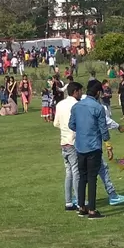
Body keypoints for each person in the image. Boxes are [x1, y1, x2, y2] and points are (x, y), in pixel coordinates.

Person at [68, 83, 110, 218]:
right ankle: (92, 209)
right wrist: (108, 144)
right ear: (97, 93)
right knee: (92, 178)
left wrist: (82, 130)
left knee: (82, 177)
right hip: (93, 146)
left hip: (80, 146)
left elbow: (71, 124)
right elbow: (103, 129)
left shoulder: (76, 106)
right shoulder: (98, 107)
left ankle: (81, 207)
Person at [54, 81, 83, 213]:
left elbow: (56, 123)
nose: (81, 94)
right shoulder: (77, 105)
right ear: (75, 91)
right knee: (76, 172)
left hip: (63, 141)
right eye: (80, 91)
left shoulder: (60, 104)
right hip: (74, 142)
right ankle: (79, 201)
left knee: (69, 172)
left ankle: (68, 201)